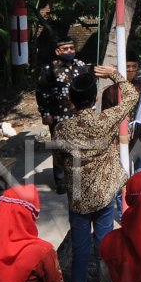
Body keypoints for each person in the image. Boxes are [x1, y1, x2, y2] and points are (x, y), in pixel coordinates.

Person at [55, 65, 139, 282]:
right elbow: (132, 96)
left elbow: (60, 159)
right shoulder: (105, 120)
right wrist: (114, 74)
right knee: (105, 253)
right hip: (104, 197)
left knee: (80, 255)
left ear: (71, 99)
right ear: (94, 99)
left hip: (79, 200)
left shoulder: (62, 129)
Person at [36, 39, 89, 193]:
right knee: (60, 148)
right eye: (66, 49)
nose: (70, 51)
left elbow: (88, 87)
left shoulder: (81, 65)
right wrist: (45, 113)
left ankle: (79, 180)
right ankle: (61, 182)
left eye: (72, 48)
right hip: (58, 115)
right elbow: (41, 92)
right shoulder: (50, 68)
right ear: (58, 51)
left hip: (79, 115)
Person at [100, 58, 141, 174]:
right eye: (128, 67)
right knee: (122, 178)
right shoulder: (110, 92)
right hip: (119, 142)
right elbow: (106, 120)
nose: (131, 70)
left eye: (134, 67)